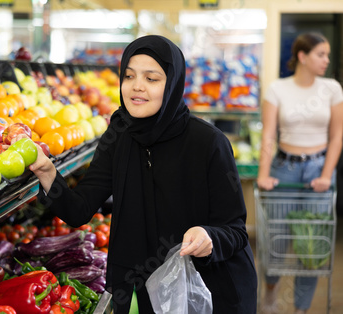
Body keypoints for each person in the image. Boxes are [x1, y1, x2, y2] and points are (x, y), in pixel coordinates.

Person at [29, 34, 257, 313]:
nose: (137, 87)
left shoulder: (208, 142)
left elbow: (234, 230)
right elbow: (80, 210)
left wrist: (208, 236)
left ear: (172, 84)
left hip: (209, 290)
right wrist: (48, 172)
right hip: (147, 291)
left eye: (151, 79)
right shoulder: (119, 132)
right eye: (129, 76)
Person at [257, 32, 343, 314]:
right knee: (276, 240)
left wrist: (326, 174)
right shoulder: (278, 89)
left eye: (328, 55)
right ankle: (270, 290)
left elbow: (337, 134)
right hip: (285, 169)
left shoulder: (332, 88)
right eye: (321, 54)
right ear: (303, 57)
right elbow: (269, 134)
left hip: (318, 169)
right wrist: (264, 173)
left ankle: (301, 309)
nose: (326, 61)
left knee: (311, 242)